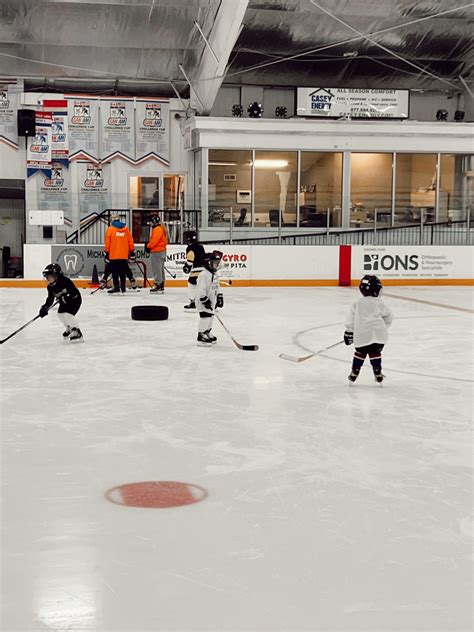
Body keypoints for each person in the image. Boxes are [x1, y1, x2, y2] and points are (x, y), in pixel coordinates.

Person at [344, 275, 393, 384]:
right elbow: (389, 316)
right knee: (375, 352)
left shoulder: (357, 303)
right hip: (379, 336)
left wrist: (349, 332)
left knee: (360, 352)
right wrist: (383, 327)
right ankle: (377, 372)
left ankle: (354, 372)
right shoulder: (380, 303)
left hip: (362, 336)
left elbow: (350, 320)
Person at [39, 263, 83, 342]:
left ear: (56, 275)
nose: (47, 279)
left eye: (49, 277)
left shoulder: (65, 281)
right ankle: (69, 328)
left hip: (75, 300)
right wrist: (45, 307)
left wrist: (65, 298)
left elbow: (74, 293)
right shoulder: (50, 287)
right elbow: (50, 298)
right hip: (63, 301)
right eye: (46, 277)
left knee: (67, 315)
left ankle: (76, 331)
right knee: (60, 315)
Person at [196, 251, 223, 346]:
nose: (216, 265)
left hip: (212, 301)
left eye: (217, 263)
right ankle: (201, 335)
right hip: (204, 302)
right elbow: (200, 289)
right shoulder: (203, 274)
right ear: (208, 263)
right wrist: (204, 299)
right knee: (205, 317)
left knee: (211, 317)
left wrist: (220, 296)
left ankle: (207, 331)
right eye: (214, 263)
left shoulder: (214, 274)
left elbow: (217, 286)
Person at [104, 214, 135, 294]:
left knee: (115, 271)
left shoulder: (110, 229)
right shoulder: (126, 229)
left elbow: (108, 242)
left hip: (114, 254)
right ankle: (123, 287)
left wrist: (107, 252)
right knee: (122, 271)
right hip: (124, 255)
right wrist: (132, 251)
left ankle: (116, 287)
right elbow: (130, 241)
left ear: (112, 220)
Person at [144, 215, 168, 293]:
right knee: (160, 268)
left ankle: (158, 284)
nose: (150, 223)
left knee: (157, 269)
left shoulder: (157, 229)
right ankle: (161, 284)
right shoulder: (161, 228)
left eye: (151, 222)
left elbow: (154, 241)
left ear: (154, 222)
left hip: (157, 251)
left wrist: (148, 246)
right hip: (161, 251)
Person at [182, 231, 206, 310]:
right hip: (205, 269)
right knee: (202, 285)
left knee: (191, 284)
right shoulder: (201, 246)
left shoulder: (190, 248)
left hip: (196, 269)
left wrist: (187, 266)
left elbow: (190, 258)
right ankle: (204, 301)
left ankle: (193, 302)